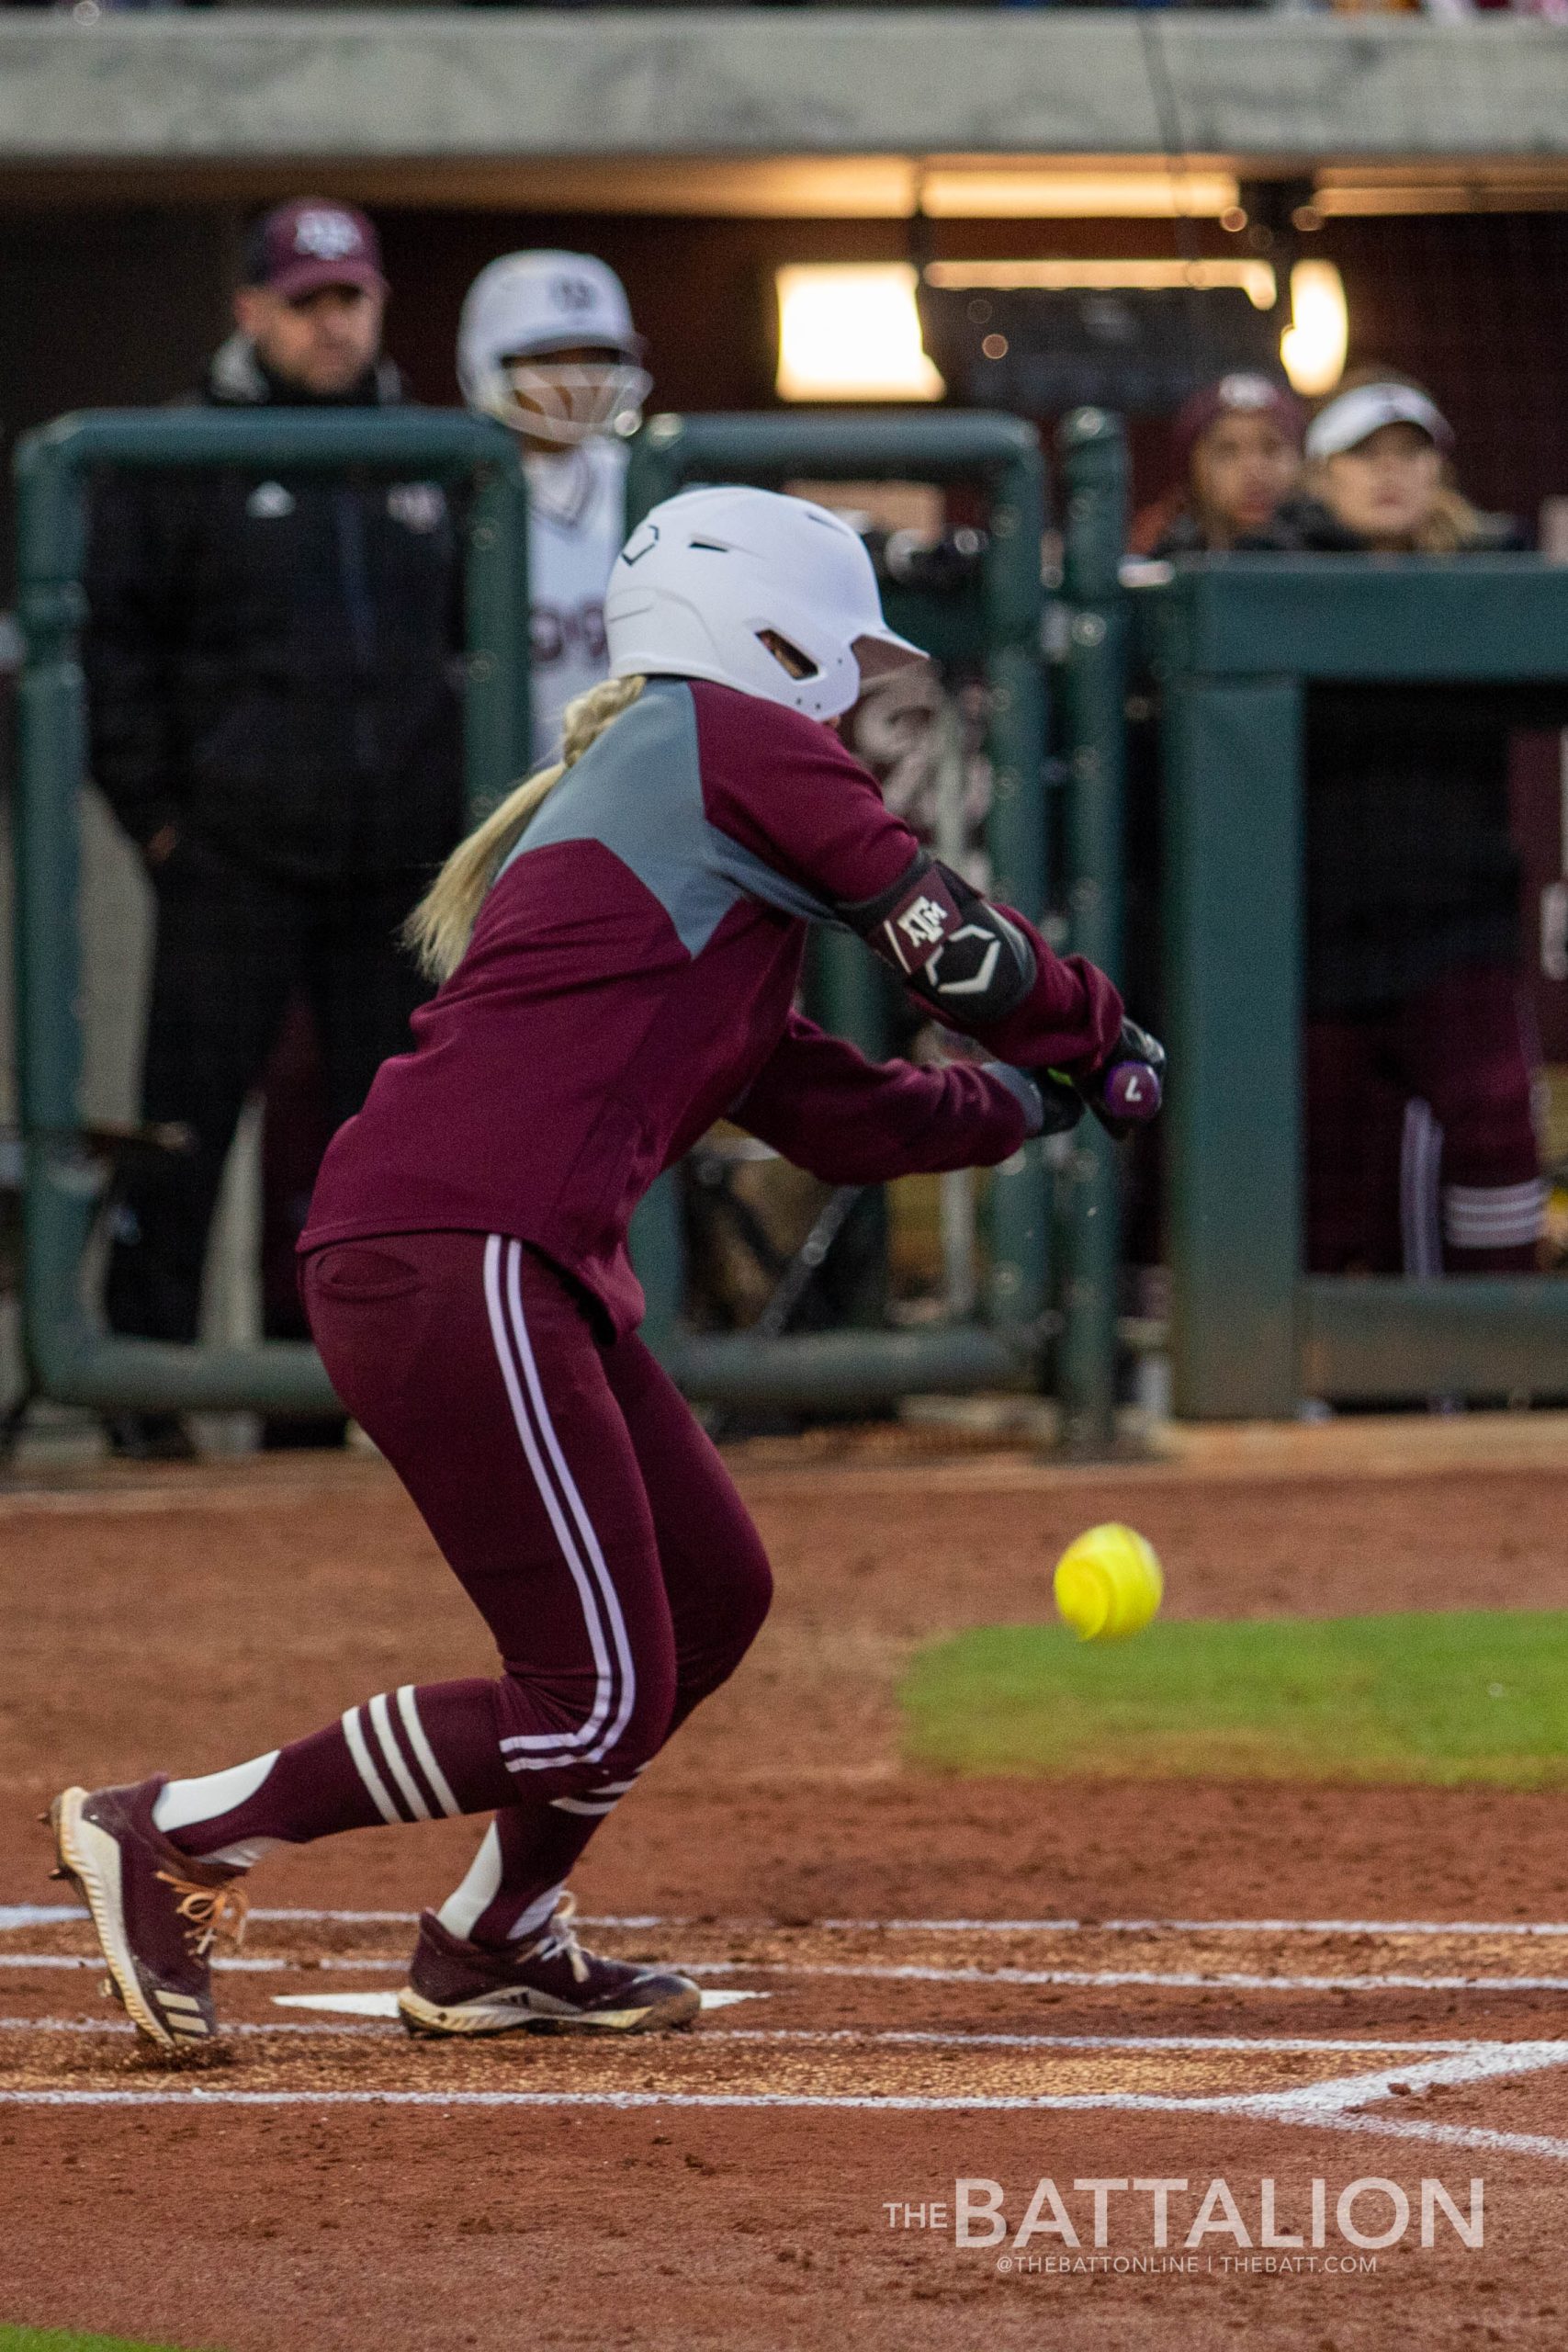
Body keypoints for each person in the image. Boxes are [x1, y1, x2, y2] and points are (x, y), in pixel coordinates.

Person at [49, 486, 1163, 2050]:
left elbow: (827, 1111)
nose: (849, 683)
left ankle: (497, 1933)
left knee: (711, 1594)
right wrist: (1091, 1038)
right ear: (759, 626)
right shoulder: (729, 742)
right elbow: (949, 943)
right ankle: (177, 1828)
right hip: (460, 1247)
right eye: (836, 648)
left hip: (495, 1258)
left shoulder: (673, 790)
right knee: (584, 1696)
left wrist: (1018, 1104)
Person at [84, 198, 465, 1459]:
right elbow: (111, 651)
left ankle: (327, 1408)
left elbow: (471, 646)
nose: (330, 324)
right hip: (234, 861)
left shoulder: (433, 454)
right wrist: (158, 824)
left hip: (388, 869)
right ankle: (145, 1401)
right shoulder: (175, 453)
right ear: (248, 309)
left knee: (379, 1152)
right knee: (184, 1133)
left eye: (347, 298)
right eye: (303, 301)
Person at [1301, 374, 1544, 1277]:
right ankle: (1316, 1389)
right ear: (1323, 473)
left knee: (1494, 1123)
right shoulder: (1273, 573)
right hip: (1314, 930)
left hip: (1456, 924)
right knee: (1320, 1147)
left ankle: (1497, 1358)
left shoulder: (1494, 578)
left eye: (1411, 453)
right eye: (1367, 454)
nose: (1391, 474)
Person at [457, 250, 651, 765]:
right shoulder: (452, 495)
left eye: (596, 358)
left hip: (631, 777)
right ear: (490, 362)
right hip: (505, 788)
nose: (577, 380)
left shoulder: (647, 477)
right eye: (548, 360)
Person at [1130, 372, 1325, 558]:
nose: (1255, 470)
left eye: (1271, 448)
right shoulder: (1157, 570)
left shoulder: (1337, 559)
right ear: (1190, 470)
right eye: (1227, 451)